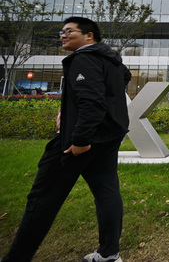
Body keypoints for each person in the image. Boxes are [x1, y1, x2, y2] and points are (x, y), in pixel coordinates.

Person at [2, 17, 130, 262]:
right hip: (109, 137)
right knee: (106, 192)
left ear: (89, 35)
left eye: (69, 31)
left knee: (42, 200)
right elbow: (125, 76)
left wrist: (80, 139)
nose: (62, 35)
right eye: (61, 31)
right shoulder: (111, 59)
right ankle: (108, 253)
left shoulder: (84, 58)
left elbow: (91, 103)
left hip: (79, 142)